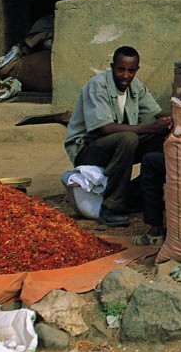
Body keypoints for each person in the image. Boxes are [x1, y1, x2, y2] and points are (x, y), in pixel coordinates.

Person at [64, 46, 172, 228]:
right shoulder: (98, 85)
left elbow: (158, 116)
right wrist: (151, 128)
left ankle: (137, 195)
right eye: (121, 69)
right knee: (128, 138)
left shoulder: (136, 86)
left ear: (136, 70)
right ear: (112, 67)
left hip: (119, 146)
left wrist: (169, 121)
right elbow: (105, 128)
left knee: (166, 140)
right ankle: (110, 208)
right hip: (87, 150)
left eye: (131, 71)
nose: (125, 76)